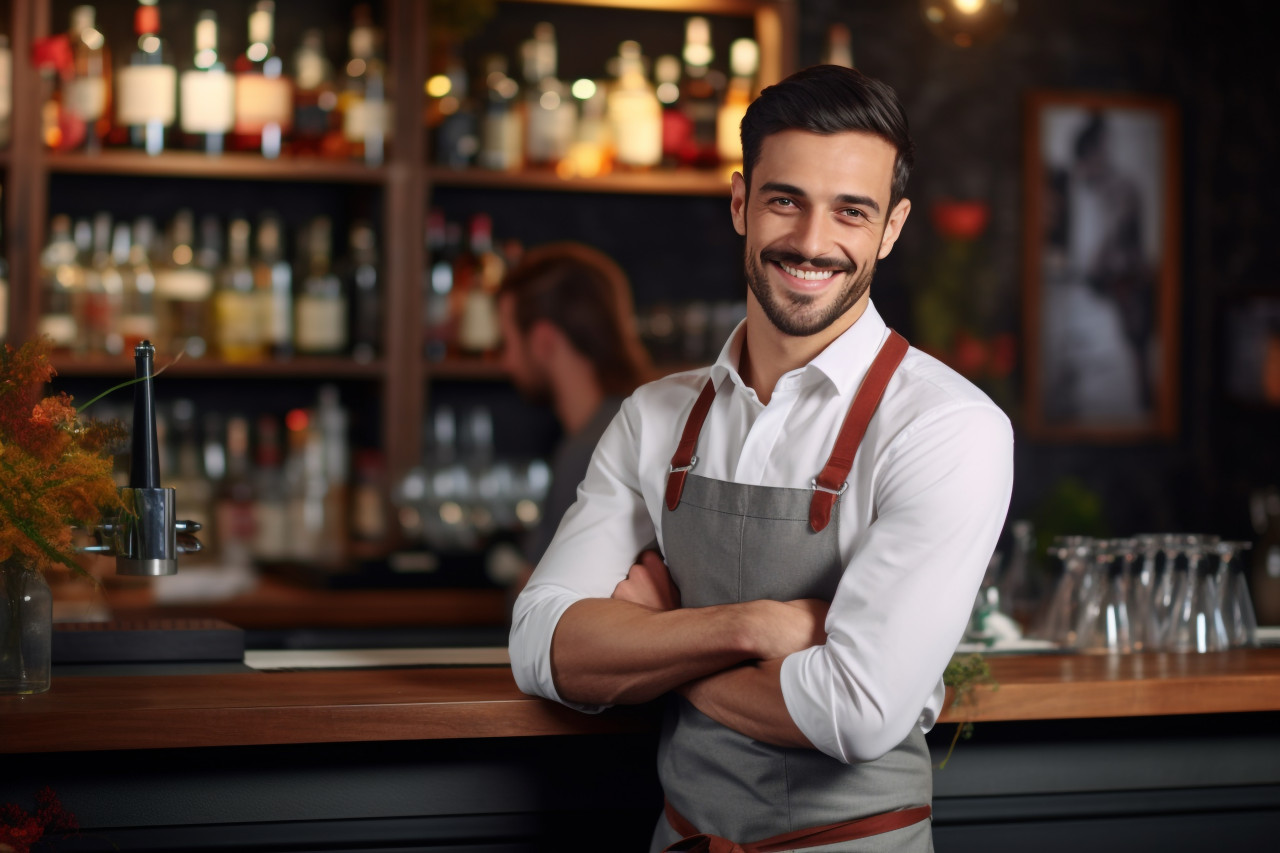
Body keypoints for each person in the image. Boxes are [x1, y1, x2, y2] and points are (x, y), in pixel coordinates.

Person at [509, 64, 1014, 852]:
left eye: (852, 211)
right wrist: (755, 626)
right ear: (742, 202)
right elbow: (542, 645)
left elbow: (856, 709)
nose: (813, 243)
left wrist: (662, 637)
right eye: (787, 201)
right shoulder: (653, 417)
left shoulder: (947, 427)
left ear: (892, 227)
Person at [495, 241, 652, 573]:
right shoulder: (642, 423)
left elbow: (545, 603)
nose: (504, 361)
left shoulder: (590, 451)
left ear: (543, 341)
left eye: (506, 342)